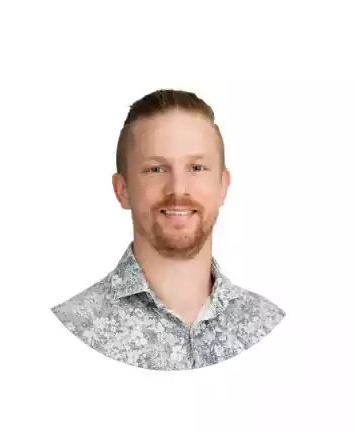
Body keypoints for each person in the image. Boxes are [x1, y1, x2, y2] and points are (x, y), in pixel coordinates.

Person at [51, 89, 286, 371]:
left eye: (197, 167)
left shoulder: (269, 327)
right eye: (156, 169)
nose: (177, 189)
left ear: (223, 187)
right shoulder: (70, 330)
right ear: (122, 190)